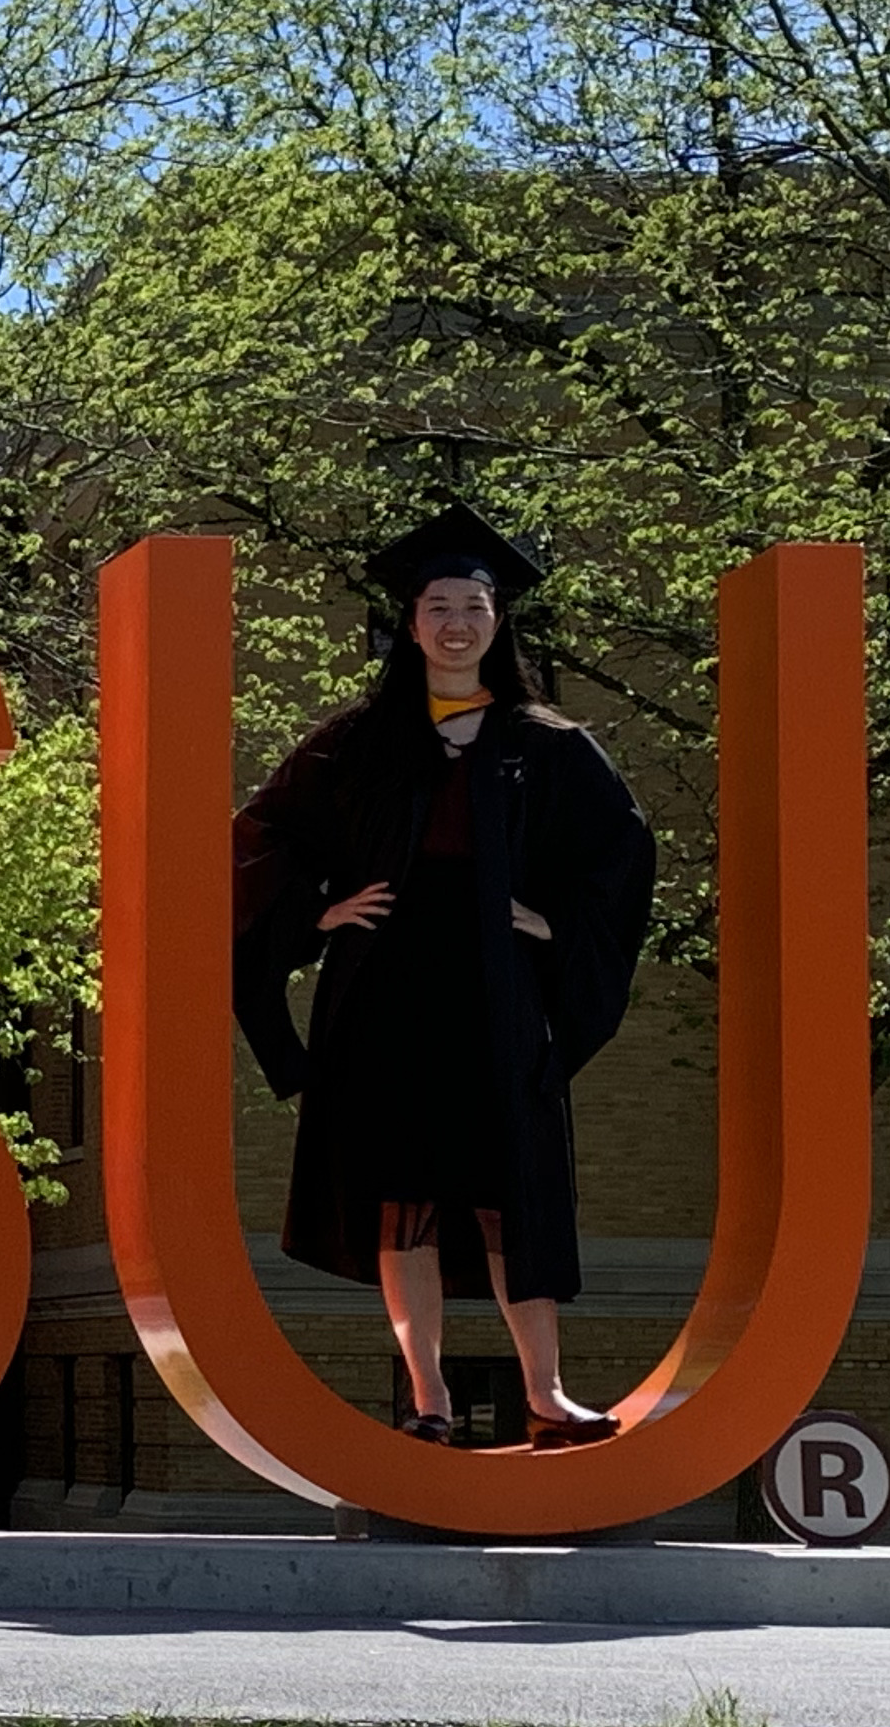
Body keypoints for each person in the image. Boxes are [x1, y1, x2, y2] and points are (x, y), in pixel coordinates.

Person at [231, 503, 656, 1450]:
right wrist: (316, 914)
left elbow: (621, 855)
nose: (456, 622)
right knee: (406, 1199)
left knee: (513, 1191)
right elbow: (262, 837)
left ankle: (546, 1392)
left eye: (474, 604)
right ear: (409, 622)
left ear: (497, 621)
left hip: (497, 990)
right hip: (388, 986)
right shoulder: (359, 739)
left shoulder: (547, 743)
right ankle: (427, 1399)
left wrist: (555, 923)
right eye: (437, 605)